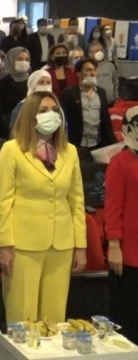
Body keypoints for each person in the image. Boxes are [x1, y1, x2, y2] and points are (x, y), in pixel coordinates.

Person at [0, 90, 86, 323]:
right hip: (23, 245)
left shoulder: (70, 152)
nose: (51, 115)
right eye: (43, 110)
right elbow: (4, 202)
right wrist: (5, 246)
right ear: (30, 116)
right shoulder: (11, 150)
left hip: (62, 244)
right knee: (22, 318)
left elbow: (76, 201)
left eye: (55, 110)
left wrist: (81, 246)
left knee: (54, 319)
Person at [105, 107, 138, 344]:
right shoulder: (120, 162)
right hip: (130, 253)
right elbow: (113, 208)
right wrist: (114, 246)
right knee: (129, 319)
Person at [59, 58, 115, 150]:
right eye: (88, 70)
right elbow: (63, 120)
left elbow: (106, 120)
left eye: (94, 70)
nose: (93, 73)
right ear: (79, 73)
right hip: (76, 145)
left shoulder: (101, 93)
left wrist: (112, 142)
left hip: (98, 144)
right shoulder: (68, 94)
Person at [0, 47, 31, 141]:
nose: (24, 62)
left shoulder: (33, 82)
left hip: (31, 130)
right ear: (11, 60)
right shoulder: (1, 84)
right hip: (8, 131)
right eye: (19, 59)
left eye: (27, 60)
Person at [8, 70, 54, 137]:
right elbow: (14, 132)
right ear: (33, 85)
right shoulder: (21, 107)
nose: (45, 85)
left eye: (48, 82)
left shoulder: (55, 106)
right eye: (41, 82)